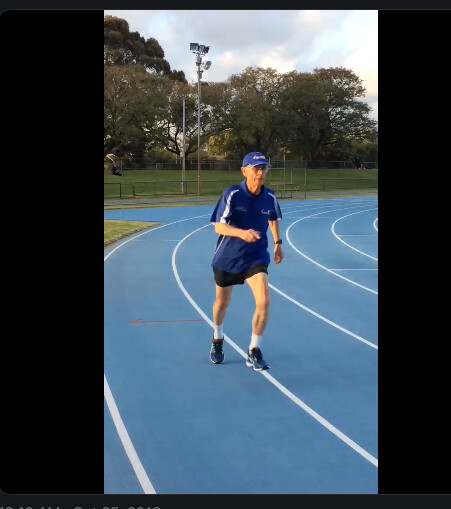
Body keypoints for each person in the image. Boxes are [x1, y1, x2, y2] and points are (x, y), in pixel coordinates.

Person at [209, 151, 284, 371]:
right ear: (244, 171)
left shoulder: (269, 196)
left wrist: (278, 243)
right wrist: (242, 233)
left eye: (263, 169)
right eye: (256, 169)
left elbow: (272, 218)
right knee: (222, 303)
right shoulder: (232, 194)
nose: (260, 173)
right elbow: (218, 226)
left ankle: (254, 350)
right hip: (228, 258)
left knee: (264, 300)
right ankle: (217, 338)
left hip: (256, 257)